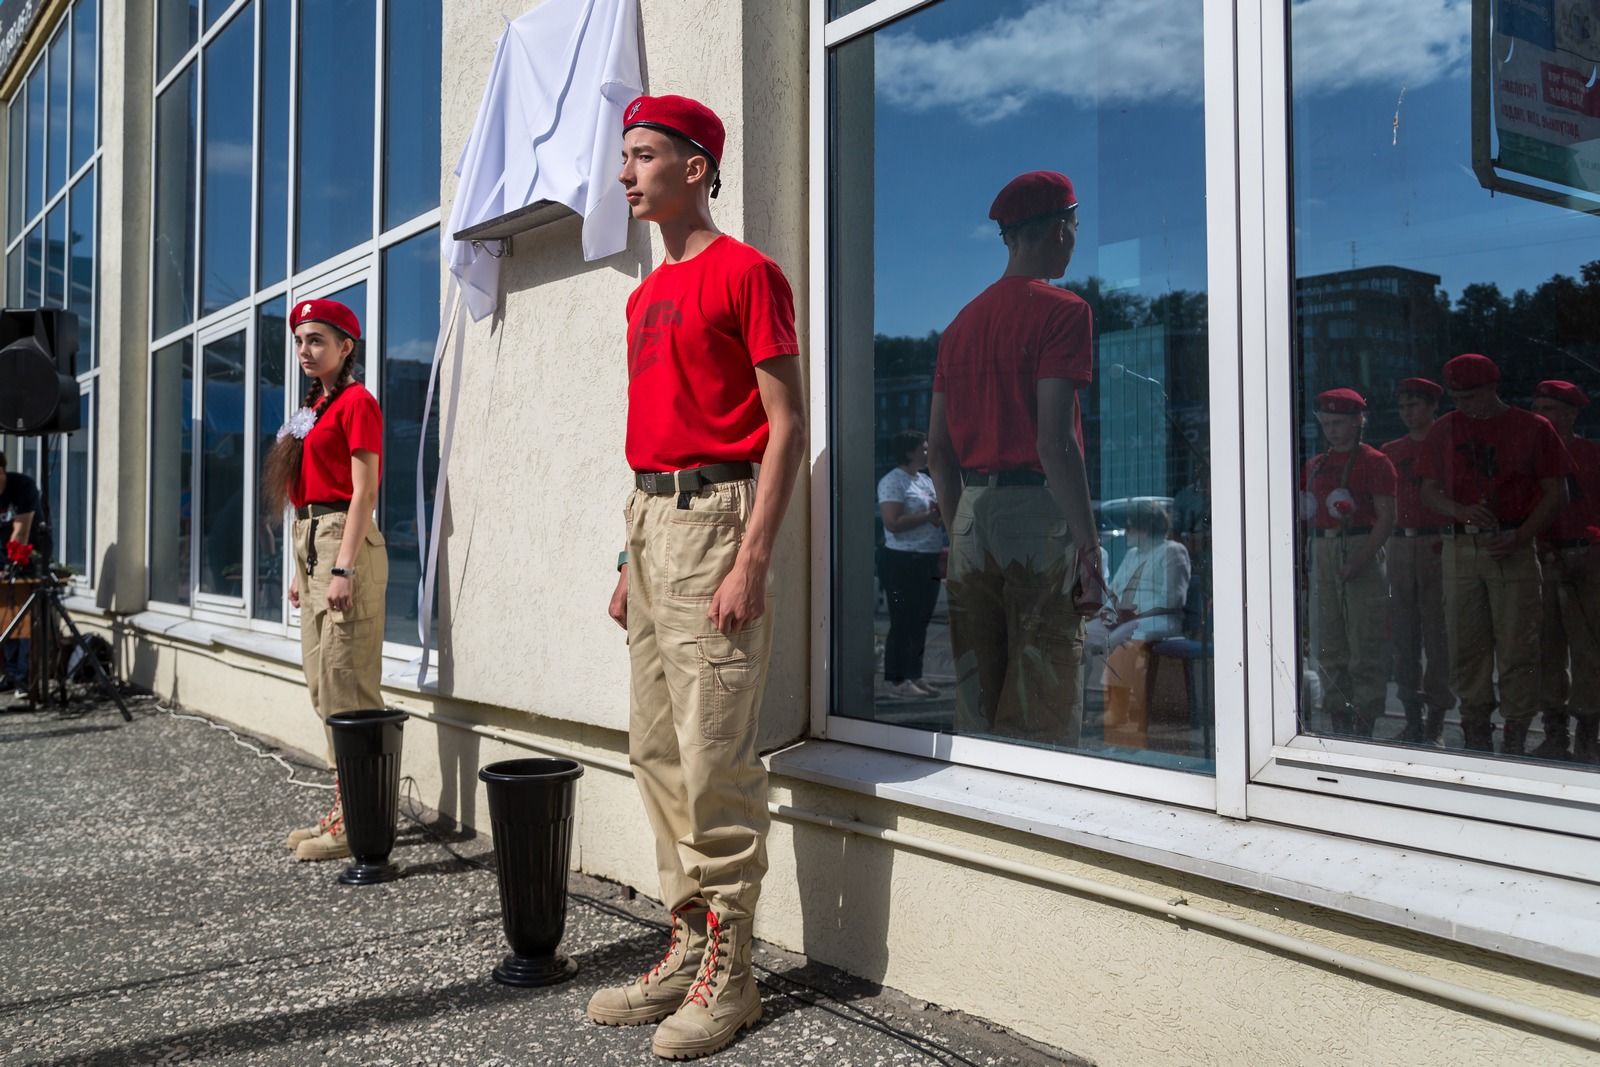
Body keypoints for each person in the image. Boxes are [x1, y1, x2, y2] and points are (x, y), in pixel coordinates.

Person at [587, 94, 805, 1060]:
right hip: (651, 519)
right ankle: (689, 941)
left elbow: (788, 423)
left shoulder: (747, 273)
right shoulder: (641, 295)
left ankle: (737, 974)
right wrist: (630, 558)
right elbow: (651, 435)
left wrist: (754, 554)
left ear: (697, 164)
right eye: (624, 156)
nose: (627, 173)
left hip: (720, 520)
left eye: (643, 156)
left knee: (716, 752)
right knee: (655, 748)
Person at [927, 170, 1104, 749]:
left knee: (977, 695)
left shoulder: (958, 326)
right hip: (1035, 511)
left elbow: (938, 447)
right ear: (1057, 230)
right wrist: (1088, 544)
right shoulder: (1063, 311)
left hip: (973, 512)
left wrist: (959, 530)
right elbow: (1055, 441)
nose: (1074, 241)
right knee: (1042, 703)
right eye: (1074, 229)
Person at [261, 298, 389, 862]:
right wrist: (301, 571)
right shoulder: (310, 409)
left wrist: (343, 566)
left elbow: (364, 492)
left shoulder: (358, 403)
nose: (306, 351)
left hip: (343, 540)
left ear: (346, 347)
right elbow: (299, 496)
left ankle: (357, 822)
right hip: (311, 544)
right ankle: (347, 806)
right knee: (322, 686)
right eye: (300, 341)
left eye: (317, 340)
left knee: (348, 686)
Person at [1418, 353, 1570, 754]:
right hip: (1461, 544)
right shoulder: (1444, 428)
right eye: (1456, 396)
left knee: (1518, 644)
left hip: (1513, 547)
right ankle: (1475, 731)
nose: (1462, 405)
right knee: (1466, 644)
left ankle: (1516, 734)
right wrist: (1460, 510)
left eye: (1469, 396)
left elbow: (1557, 493)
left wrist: (1522, 536)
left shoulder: (1533, 427)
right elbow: (1427, 490)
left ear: (1491, 388)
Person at [1301, 388, 1396, 738]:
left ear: (1358, 422)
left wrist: (1360, 559)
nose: (1332, 430)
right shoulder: (1315, 465)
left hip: (1361, 547)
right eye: (1326, 423)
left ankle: (1365, 722)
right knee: (1330, 641)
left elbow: (1386, 518)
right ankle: (1339, 719)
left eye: (1339, 423)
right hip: (1322, 551)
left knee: (1365, 642)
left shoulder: (1375, 461)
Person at [1380, 377, 1455, 744]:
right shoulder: (1391, 450)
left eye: (1415, 405)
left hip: (1436, 543)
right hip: (1399, 543)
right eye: (1403, 406)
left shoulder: (1449, 446)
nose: (1408, 413)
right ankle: (1412, 716)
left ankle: (1436, 721)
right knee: (1404, 636)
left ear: (1432, 407)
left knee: (1437, 634)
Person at [1528, 380, 1600, 763]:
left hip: (1586, 561)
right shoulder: (1527, 456)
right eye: (1537, 407)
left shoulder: (1590, 453)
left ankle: (1589, 730)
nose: (1542, 415)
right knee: (1546, 650)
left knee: (1588, 650)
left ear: (1572, 413)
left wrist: (1592, 546)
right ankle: (1555, 732)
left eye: (1551, 408)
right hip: (1542, 561)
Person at [1098, 500, 1190, 749]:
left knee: (1125, 638)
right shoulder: (1131, 555)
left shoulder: (1172, 552)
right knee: (1092, 633)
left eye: (1130, 527)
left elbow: (1173, 598)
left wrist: (1134, 610)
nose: (1126, 533)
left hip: (1160, 619)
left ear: (1145, 528)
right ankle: (1104, 703)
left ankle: (1119, 708)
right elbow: (1115, 590)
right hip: (1130, 618)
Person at [876, 429, 945, 700]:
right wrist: (928, 515)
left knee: (921, 621)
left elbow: (934, 516)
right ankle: (895, 680)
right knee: (902, 621)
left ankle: (914, 675)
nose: (927, 453)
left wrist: (935, 516)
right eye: (923, 449)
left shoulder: (925, 481)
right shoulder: (892, 482)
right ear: (908, 452)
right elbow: (892, 522)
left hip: (928, 557)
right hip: (903, 559)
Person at [0, 451, 51, 698]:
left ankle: (24, 679)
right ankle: (9, 674)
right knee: (5, 616)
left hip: (28, 556)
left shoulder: (22, 487)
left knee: (23, 619)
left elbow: (20, 533)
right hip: (2, 559)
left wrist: (9, 565)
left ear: (2, 471)